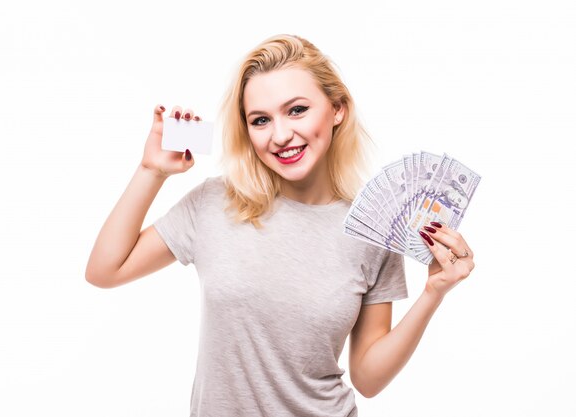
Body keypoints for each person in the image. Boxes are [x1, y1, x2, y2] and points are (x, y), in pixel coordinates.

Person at [85, 34, 475, 417]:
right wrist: (151, 171)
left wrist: (433, 292)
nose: (281, 135)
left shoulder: (370, 231)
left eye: (297, 110)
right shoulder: (216, 202)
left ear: (337, 108)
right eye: (260, 120)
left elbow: (369, 380)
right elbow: (105, 271)